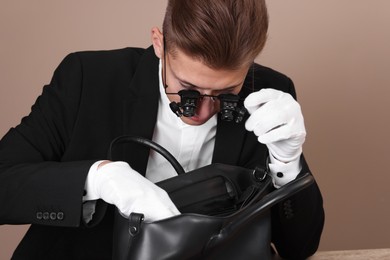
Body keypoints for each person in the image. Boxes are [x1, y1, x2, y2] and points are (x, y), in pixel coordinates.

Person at [0, 0, 324, 259]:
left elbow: (299, 248)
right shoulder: (88, 77)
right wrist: (97, 178)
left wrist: (287, 165)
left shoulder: (270, 93)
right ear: (159, 43)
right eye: (187, 89)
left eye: (226, 94)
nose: (204, 111)